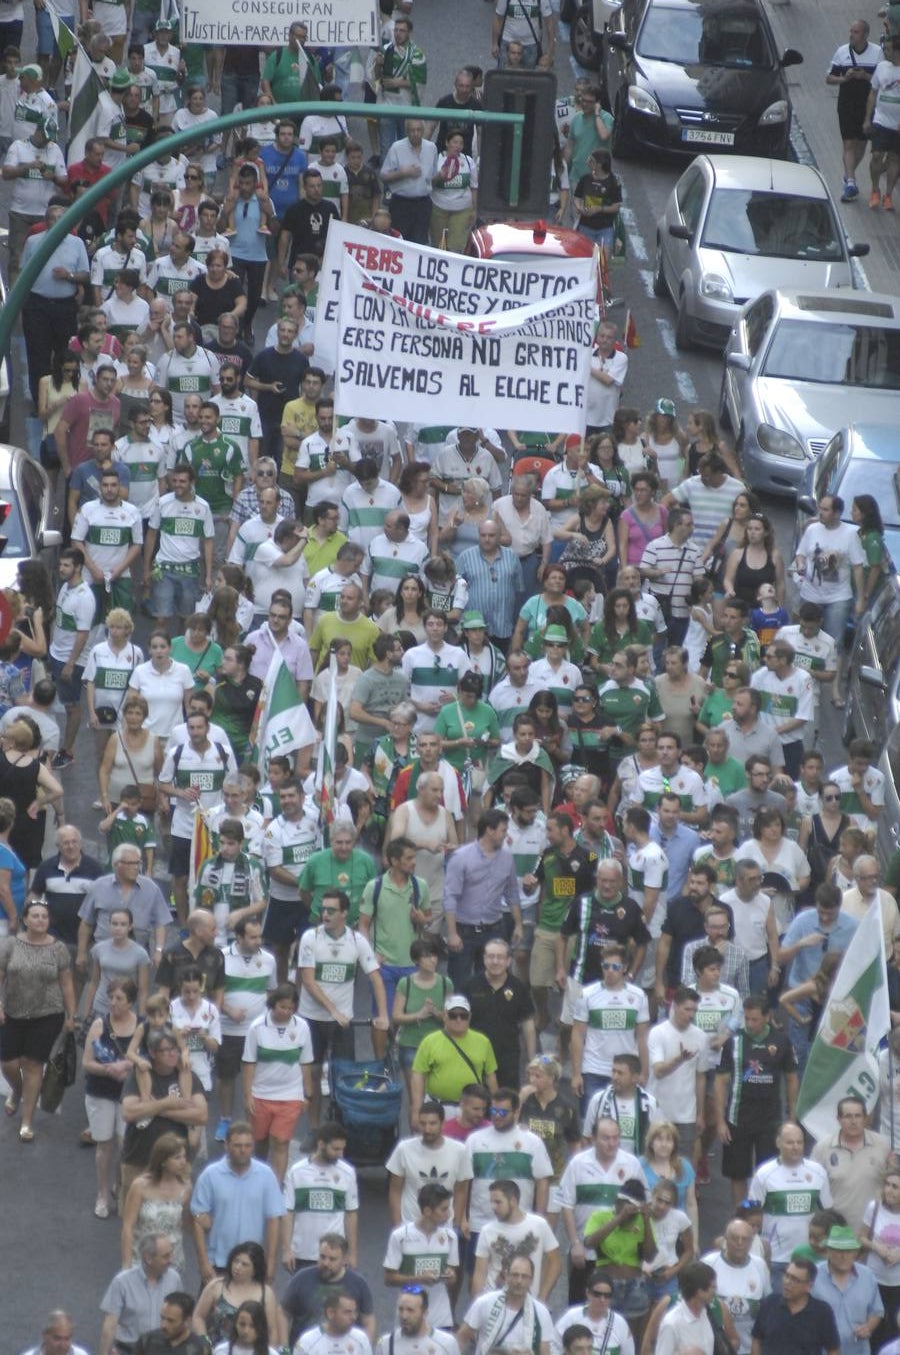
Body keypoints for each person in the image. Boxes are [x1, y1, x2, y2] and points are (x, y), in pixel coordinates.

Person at [0, 897, 77, 1142]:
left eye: (44, 916)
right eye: (35, 916)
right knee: (9, 1063)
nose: (40, 920)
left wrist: (71, 1015)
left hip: (47, 1014)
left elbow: (66, 984)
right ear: (25, 919)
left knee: (33, 1065)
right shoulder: (10, 944)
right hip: (13, 1011)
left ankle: (27, 1120)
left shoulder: (58, 949)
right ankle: (17, 1089)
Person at [559, 1118, 647, 1303]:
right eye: (606, 1138)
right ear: (592, 1139)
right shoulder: (577, 1164)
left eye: (616, 1138)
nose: (612, 1143)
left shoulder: (632, 1164)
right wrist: (575, 1243)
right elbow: (567, 1205)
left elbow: (643, 1204)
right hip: (586, 1252)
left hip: (620, 1257)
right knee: (580, 1305)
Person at [191, 1119, 284, 1284]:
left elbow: (273, 1220)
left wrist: (270, 1263)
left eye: (248, 1145)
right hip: (218, 1264)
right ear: (226, 1145)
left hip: (252, 1264)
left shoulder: (266, 1175)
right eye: (237, 1145)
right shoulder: (210, 1175)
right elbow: (198, 1219)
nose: (243, 1150)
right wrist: (203, 1263)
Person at [120, 1027, 208, 1199]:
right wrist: (167, 1103)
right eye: (165, 1050)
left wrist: (162, 1111)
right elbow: (129, 1112)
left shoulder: (188, 1076)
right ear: (152, 1053)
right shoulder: (139, 1075)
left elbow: (201, 1115)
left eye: (174, 1049)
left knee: (173, 1217)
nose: (172, 1054)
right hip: (138, 1159)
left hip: (176, 1162)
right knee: (133, 1217)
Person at [242, 983, 313, 1186]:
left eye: (291, 1008)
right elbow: (249, 1063)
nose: (287, 1012)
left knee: (281, 1142)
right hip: (261, 1094)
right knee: (259, 1142)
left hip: (290, 1095)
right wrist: (248, 1095)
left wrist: (307, 1094)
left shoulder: (302, 1027)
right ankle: (255, 1182)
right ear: (273, 1005)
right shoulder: (257, 1027)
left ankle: (275, 1186)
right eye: (283, 1007)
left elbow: (306, 1061)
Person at [443, 810, 522, 988]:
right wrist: (452, 933)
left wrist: (518, 924)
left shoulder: (507, 858)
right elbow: (450, 896)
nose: (506, 835)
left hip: (494, 928)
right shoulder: (461, 858)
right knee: (459, 984)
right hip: (464, 929)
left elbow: (511, 892)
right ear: (490, 830)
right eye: (503, 830)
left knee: (492, 982)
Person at [409, 995, 499, 1128]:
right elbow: (418, 1076)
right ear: (445, 1016)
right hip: (439, 1108)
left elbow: (491, 1076)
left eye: (463, 1015)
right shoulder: (430, 1041)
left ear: (469, 1017)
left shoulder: (483, 1042)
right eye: (453, 1015)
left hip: (472, 1110)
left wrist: (496, 1107)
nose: (458, 1019)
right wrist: (416, 1110)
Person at [811, 1095, 895, 1234]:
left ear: (865, 1118)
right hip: (836, 1232)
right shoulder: (822, 1149)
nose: (854, 1121)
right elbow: (814, 1192)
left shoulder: (883, 1146)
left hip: (875, 1233)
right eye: (848, 1116)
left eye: (858, 1116)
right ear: (838, 1119)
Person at [281, 1234, 376, 1348]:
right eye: (322, 1257)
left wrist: (365, 1348)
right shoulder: (301, 1278)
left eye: (332, 1259)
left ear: (344, 1260)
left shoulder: (358, 1284)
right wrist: (284, 1347)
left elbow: (368, 1320)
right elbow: (283, 1313)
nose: (326, 1263)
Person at [472, 1177, 560, 1299]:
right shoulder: (487, 1230)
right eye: (491, 1202)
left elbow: (555, 1262)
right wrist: (479, 1305)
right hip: (495, 1299)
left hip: (529, 1300)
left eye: (498, 1202)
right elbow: (479, 1274)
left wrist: (542, 1297)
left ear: (513, 1201)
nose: (493, 1207)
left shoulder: (539, 1224)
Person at [97, 1235, 183, 1355]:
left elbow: (181, 1316)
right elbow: (110, 1324)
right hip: (129, 1350)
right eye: (165, 1256)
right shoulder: (122, 1282)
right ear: (148, 1258)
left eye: (170, 1254)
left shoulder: (174, 1279)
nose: (171, 1260)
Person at [120, 1132, 192, 1273]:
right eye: (177, 1158)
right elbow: (128, 1227)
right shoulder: (140, 1186)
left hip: (172, 1260)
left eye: (184, 1156)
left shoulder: (186, 1187)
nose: (183, 1162)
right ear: (163, 1161)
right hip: (142, 1259)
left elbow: (186, 1222)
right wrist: (126, 1266)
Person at [457, 1255, 554, 1355]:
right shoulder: (484, 1303)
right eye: (515, 1275)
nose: (519, 1281)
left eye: (524, 1276)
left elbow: (545, 1352)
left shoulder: (541, 1312)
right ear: (507, 1276)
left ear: (531, 1280)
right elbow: (461, 1338)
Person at [193, 1242, 284, 1346]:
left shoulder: (266, 1293)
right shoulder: (216, 1286)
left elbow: (271, 1331)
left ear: (255, 1269)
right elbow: (198, 1316)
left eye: (244, 1264)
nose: (237, 1267)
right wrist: (204, 1341)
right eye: (236, 1261)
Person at [751, 1255, 840, 1355]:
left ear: (808, 1286)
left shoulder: (822, 1312)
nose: (788, 1282)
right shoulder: (770, 1303)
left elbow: (833, 1349)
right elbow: (756, 1339)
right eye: (786, 1276)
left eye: (795, 1280)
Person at [655, 1261, 717, 1355]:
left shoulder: (705, 1313)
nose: (715, 1290)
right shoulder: (671, 1324)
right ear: (699, 1291)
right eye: (712, 1287)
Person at [375, 1286, 459, 1355]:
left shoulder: (447, 1343)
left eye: (410, 1310)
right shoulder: (386, 1344)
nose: (404, 1316)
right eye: (401, 1309)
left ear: (424, 1313)